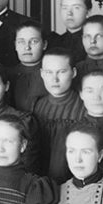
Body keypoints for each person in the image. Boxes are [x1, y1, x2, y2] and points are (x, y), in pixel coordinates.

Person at [31, 48, 85, 181]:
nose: (54, 79)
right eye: (49, 72)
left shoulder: (85, 106)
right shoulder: (36, 105)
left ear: (73, 72)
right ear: (42, 74)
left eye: (61, 72)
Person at [8, 21, 49, 113]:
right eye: (21, 42)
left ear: (44, 45)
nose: (27, 47)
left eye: (34, 41)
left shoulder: (51, 74)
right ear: (15, 45)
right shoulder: (7, 75)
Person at [48, 0, 91, 65]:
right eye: (65, 8)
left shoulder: (93, 42)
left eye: (76, 8)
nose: (69, 13)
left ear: (88, 12)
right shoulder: (54, 42)